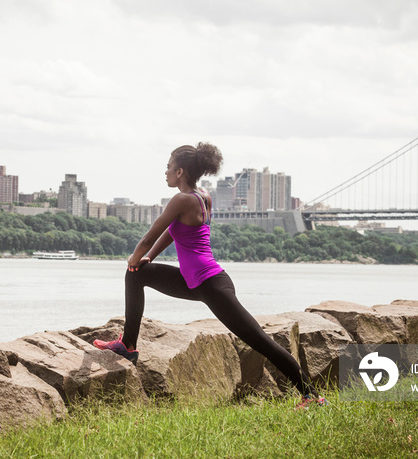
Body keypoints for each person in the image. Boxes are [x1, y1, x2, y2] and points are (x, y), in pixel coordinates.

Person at [94, 142, 325, 403]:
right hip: (193, 281)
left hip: (212, 285)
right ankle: (128, 345)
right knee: (136, 274)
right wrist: (147, 259)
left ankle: (312, 397)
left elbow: (149, 236)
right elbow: (173, 232)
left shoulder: (182, 199)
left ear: (180, 171)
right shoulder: (203, 196)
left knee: (261, 342)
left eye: (168, 167)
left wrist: (135, 256)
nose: (166, 172)